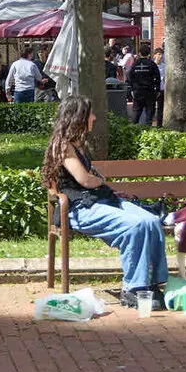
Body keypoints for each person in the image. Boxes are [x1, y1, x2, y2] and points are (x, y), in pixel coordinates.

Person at [40, 96, 166, 309]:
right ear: (78, 117)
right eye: (90, 113)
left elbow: (89, 179)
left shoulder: (76, 144)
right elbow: (84, 180)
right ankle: (133, 288)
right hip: (79, 208)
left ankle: (152, 282)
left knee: (151, 220)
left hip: (101, 200)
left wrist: (103, 185)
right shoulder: (62, 146)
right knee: (135, 226)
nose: (94, 117)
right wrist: (101, 180)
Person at [126, 42, 161, 126]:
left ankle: (133, 129)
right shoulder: (152, 64)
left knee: (136, 112)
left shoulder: (135, 64)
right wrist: (157, 89)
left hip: (138, 91)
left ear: (139, 53)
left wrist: (132, 88)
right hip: (149, 91)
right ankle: (148, 130)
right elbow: (157, 78)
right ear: (149, 53)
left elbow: (130, 76)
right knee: (149, 113)